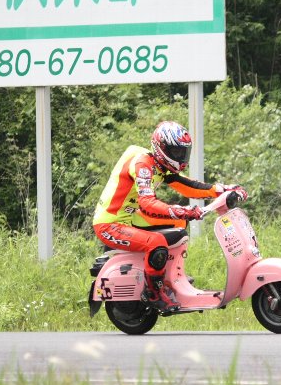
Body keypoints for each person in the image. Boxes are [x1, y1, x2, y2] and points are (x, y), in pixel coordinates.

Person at [93, 120, 247, 311]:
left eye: (183, 152)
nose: (181, 157)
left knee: (179, 223)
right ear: (161, 148)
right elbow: (146, 203)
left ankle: (169, 275)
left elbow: (189, 186)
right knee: (155, 242)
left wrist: (222, 189)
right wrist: (180, 210)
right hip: (110, 223)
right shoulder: (143, 165)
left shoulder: (159, 165)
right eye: (176, 152)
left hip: (131, 217)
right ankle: (154, 293)